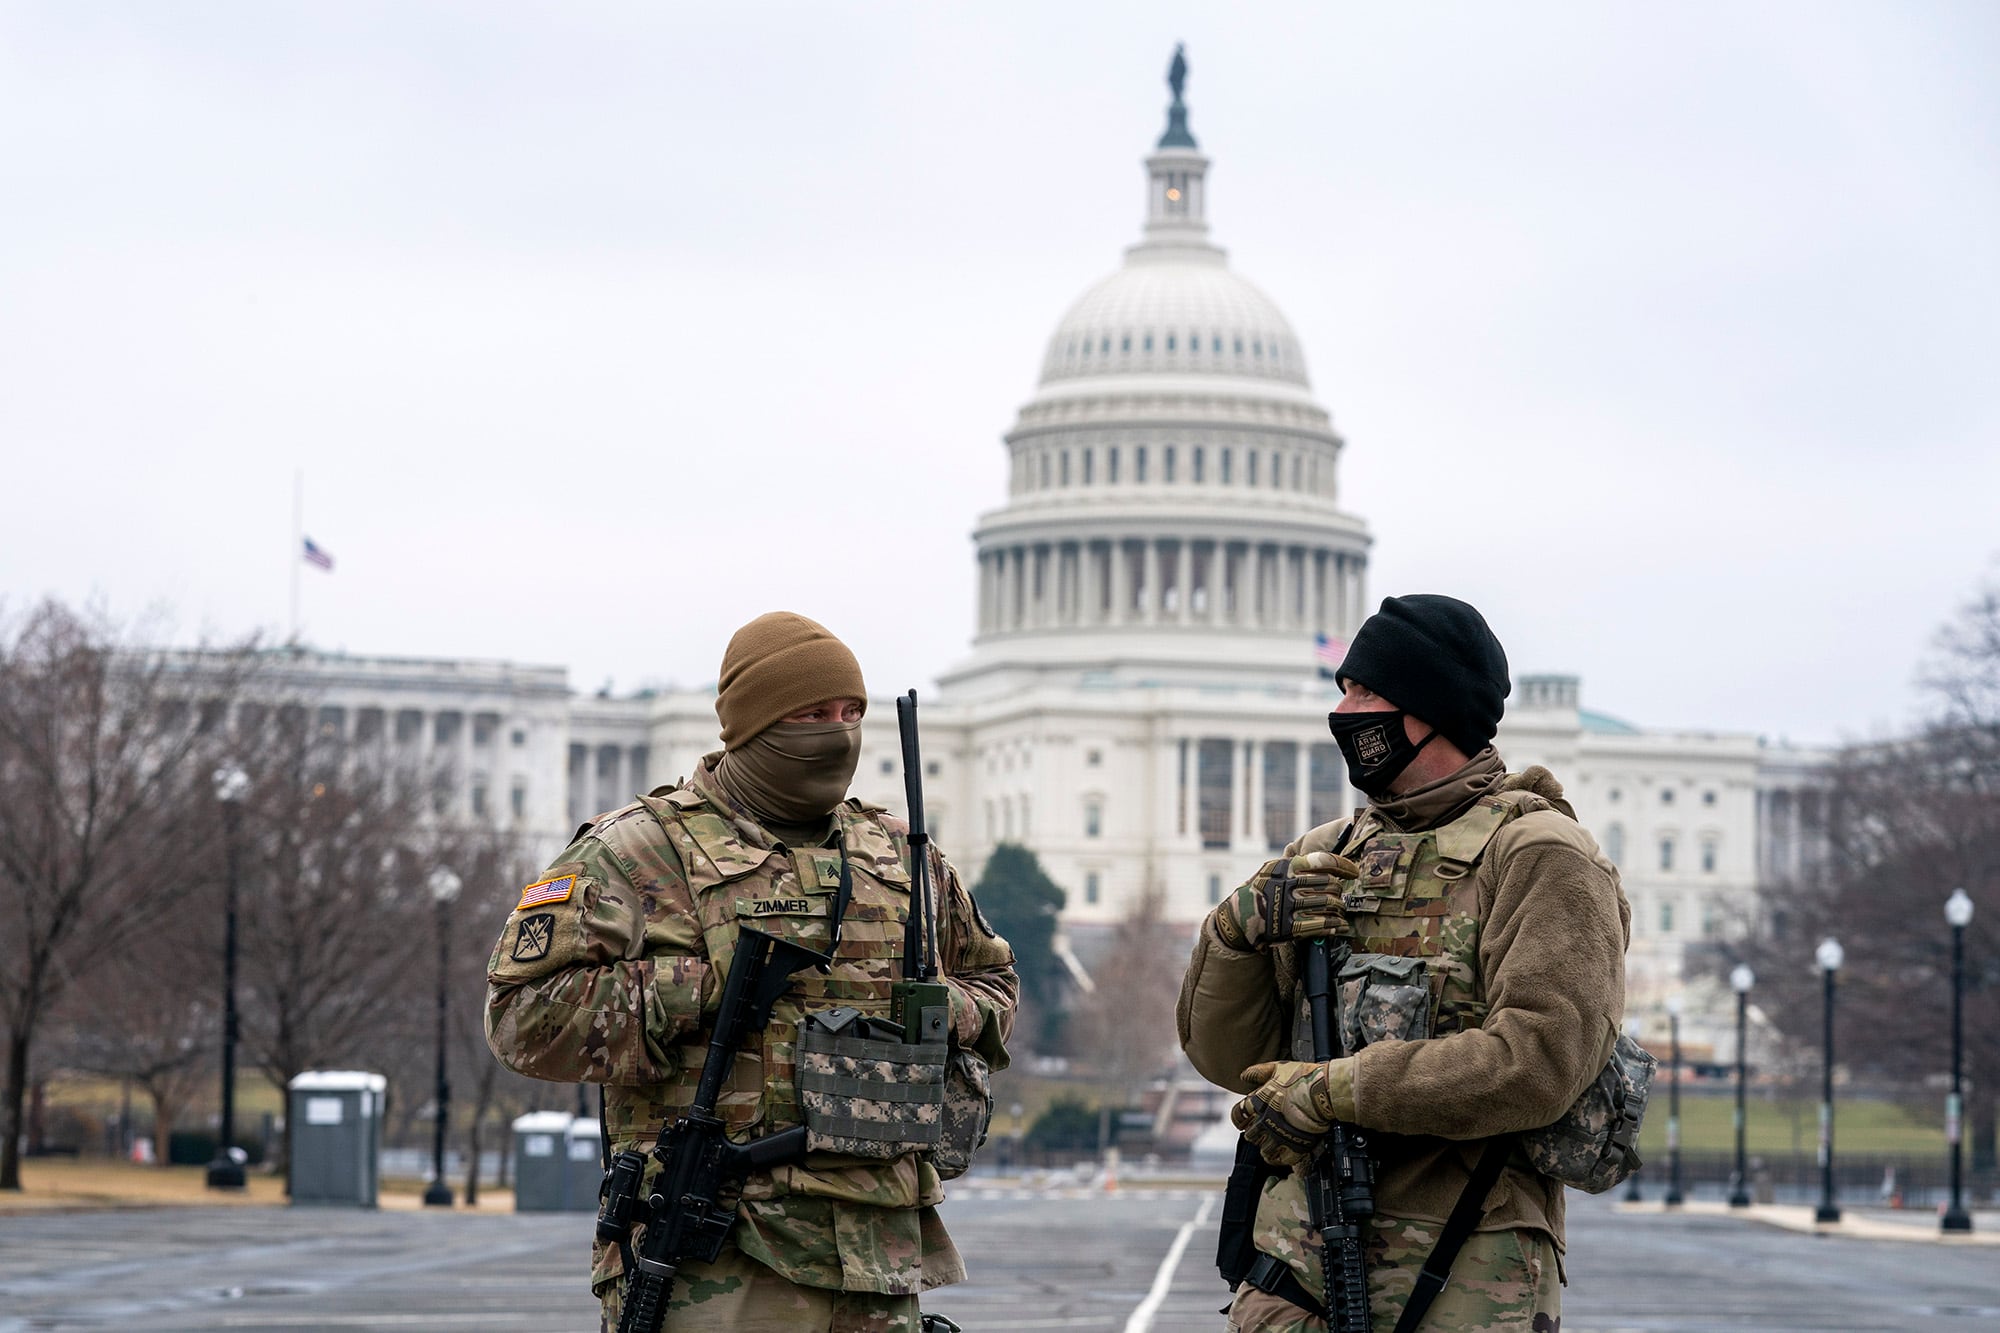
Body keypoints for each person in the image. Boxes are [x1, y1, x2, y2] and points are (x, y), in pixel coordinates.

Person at [487, 611, 1018, 1332]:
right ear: (753, 724)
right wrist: (708, 986)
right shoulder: (640, 852)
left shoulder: (901, 856)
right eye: (812, 712)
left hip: (879, 1253)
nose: (838, 730)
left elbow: (995, 983)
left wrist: (939, 1009)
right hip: (721, 1253)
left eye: (850, 712)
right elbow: (520, 1017)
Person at [1178, 594, 1630, 1332]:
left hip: (1463, 1252)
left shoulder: (1540, 854)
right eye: (1345, 690)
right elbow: (1232, 1060)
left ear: (1430, 709)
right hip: (1302, 1247)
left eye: (1367, 692)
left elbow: (1541, 1061)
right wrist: (1234, 935)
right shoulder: (1329, 852)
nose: (1346, 712)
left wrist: (1335, 1092)